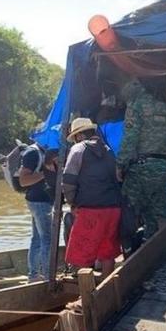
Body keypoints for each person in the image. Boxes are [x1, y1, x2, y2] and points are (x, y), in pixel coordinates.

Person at [117, 78, 166, 239]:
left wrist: (120, 164)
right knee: (158, 215)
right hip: (161, 167)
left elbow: (130, 138)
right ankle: (157, 245)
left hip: (139, 170)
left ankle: (130, 249)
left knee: (129, 211)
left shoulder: (134, 108)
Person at [63, 117, 122, 278]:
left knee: (80, 252)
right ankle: (106, 284)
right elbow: (117, 178)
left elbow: (68, 181)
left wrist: (72, 203)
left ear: (79, 135)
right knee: (107, 251)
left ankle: (83, 291)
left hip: (90, 209)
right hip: (112, 208)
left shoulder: (78, 149)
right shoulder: (108, 150)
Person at [18, 142, 58, 281]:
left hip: (42, 201)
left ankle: (33, 275)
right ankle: (48, 277)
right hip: (39, 201)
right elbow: (23, 181)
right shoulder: (33, 153)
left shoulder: (47, 152)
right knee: (47, 239)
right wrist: (45, 173)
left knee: (37, 238)